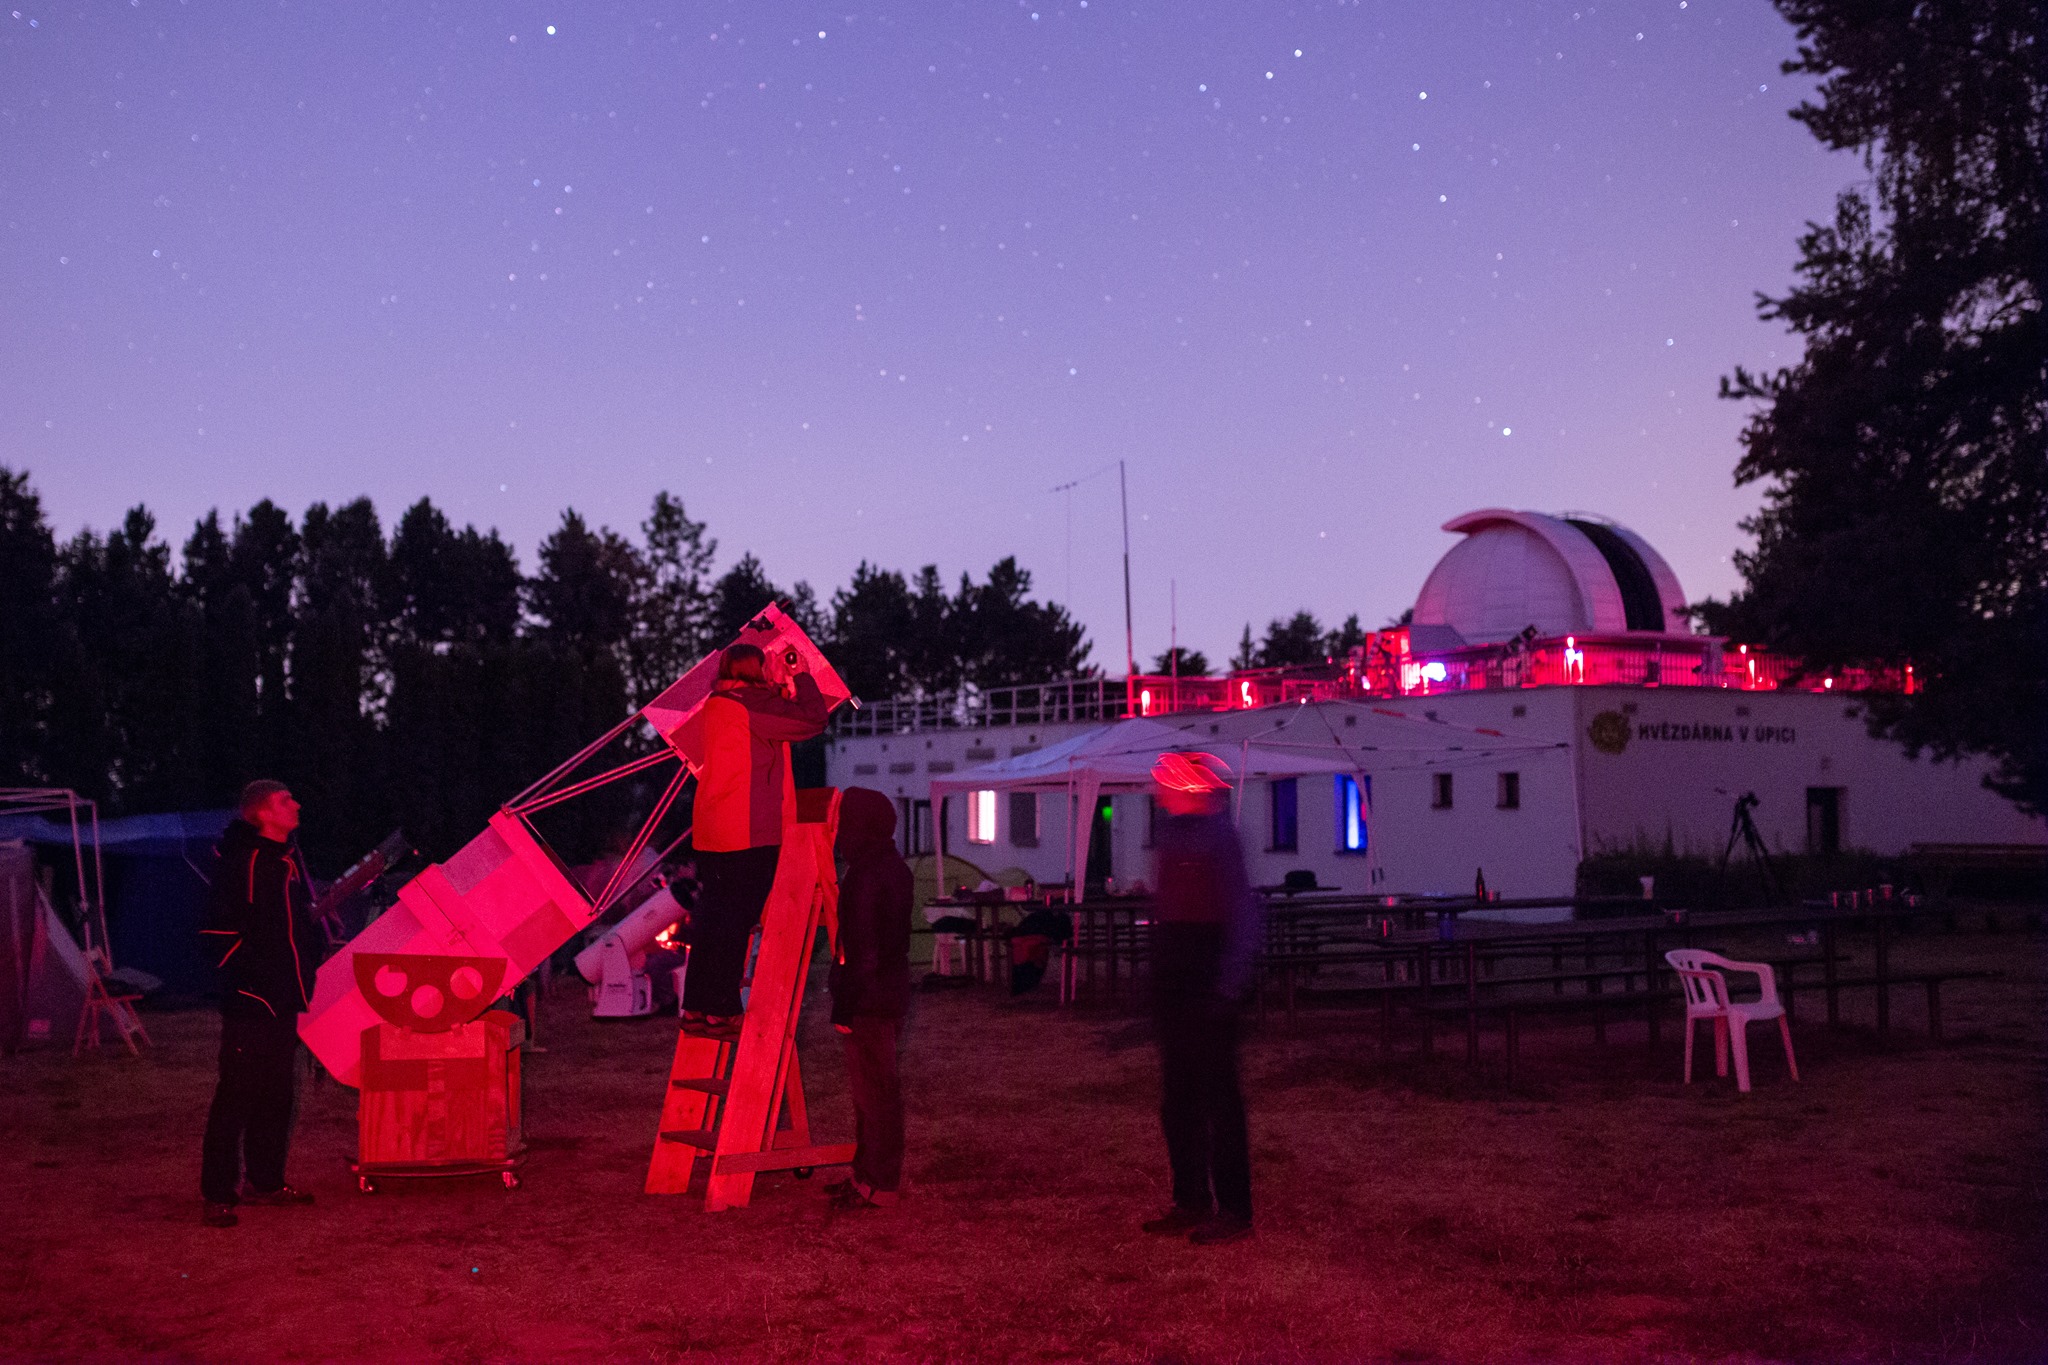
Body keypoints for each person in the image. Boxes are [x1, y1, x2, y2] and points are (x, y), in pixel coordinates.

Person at [676, 642, 829, 1036]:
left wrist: (774, 686)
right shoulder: (752, 706)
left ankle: (695, 1007)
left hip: (711, 830)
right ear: (753, 669)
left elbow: (767, 716)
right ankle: (723, 1010)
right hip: (747, 831)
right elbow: (811, 721)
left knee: (710, 920)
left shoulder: (718, 703)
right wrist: (801, 675)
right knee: (735, 923)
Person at [1142, 751, 1262, 1245]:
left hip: (1207, 972)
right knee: (1178, 1099)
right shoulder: (1174, 835)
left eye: (1168, 782)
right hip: (1177, 971)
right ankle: (1189, 1199)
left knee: (1217, 1097)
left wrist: (1229, 982)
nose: (1159, 789)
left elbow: (1241, 910)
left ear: (1192, 787)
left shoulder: (1219, 839)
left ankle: (1234, 1210)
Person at [197, 780, 323, 1229]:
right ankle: (218, 1193)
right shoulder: (243, 862)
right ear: (262, 813)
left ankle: (265, 1182)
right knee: (236, 1097)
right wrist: (251, 981)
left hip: (284, 999)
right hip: (252, 1002)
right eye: (286, 800)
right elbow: (216, 933)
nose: (296, 804)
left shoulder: (284, 862)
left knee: (277, 1095)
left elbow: (286, 930)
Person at [826, 787, 913, 1208]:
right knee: (875, 1092)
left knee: (874, 1093)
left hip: (870, 998)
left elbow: (862, 949)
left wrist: (845, 1003)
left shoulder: (866, 873)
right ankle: (867, 1176)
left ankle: (878, 1184)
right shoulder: (893, 866)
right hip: (887, 992)